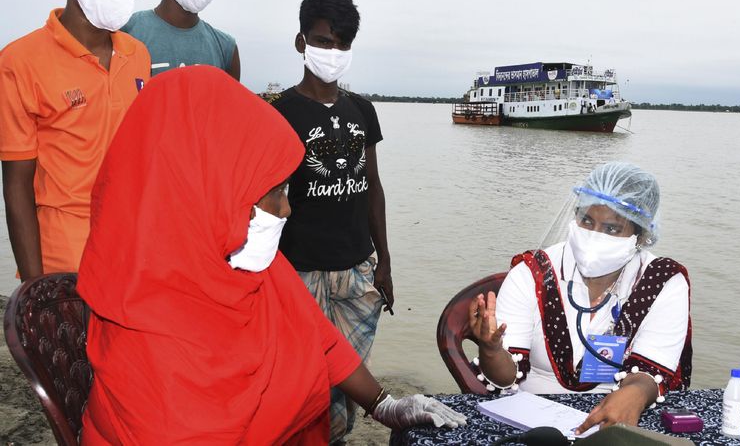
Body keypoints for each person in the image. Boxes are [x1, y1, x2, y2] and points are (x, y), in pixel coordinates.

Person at [76, 66, 465, 444]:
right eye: (275, 190)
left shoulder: (242, 264)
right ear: (214, 190)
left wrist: (386, 405)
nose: (286, 208)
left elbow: (321, 339)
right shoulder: (145, 331)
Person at [469, 162, 692, 432]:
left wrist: (636, 393)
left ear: (641, 235)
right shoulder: (532, 273)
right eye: (586, 220)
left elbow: (650, 374)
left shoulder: (661, 282)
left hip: (617, 415)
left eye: (612, 228)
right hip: (532, 420)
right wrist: (491, 350)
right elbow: (505, 379)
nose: (594, 235)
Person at [271, 0, 392, 444]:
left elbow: (372, 189)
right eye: (323, 41)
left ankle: (333, 436)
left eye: (342, 44)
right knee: (310, 376)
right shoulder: (280, 114)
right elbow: (268, 201)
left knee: (347, 374)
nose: (333, 52)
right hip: (299, 272)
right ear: (301, 43)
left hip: (357, 270)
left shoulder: (363, 110)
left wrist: (385, 262)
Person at [0, 0, 150, 282]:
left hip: (132, 253)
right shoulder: (21, 62)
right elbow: (16, 185)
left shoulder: (137, 54)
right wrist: (37, 291)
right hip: (64, 263)